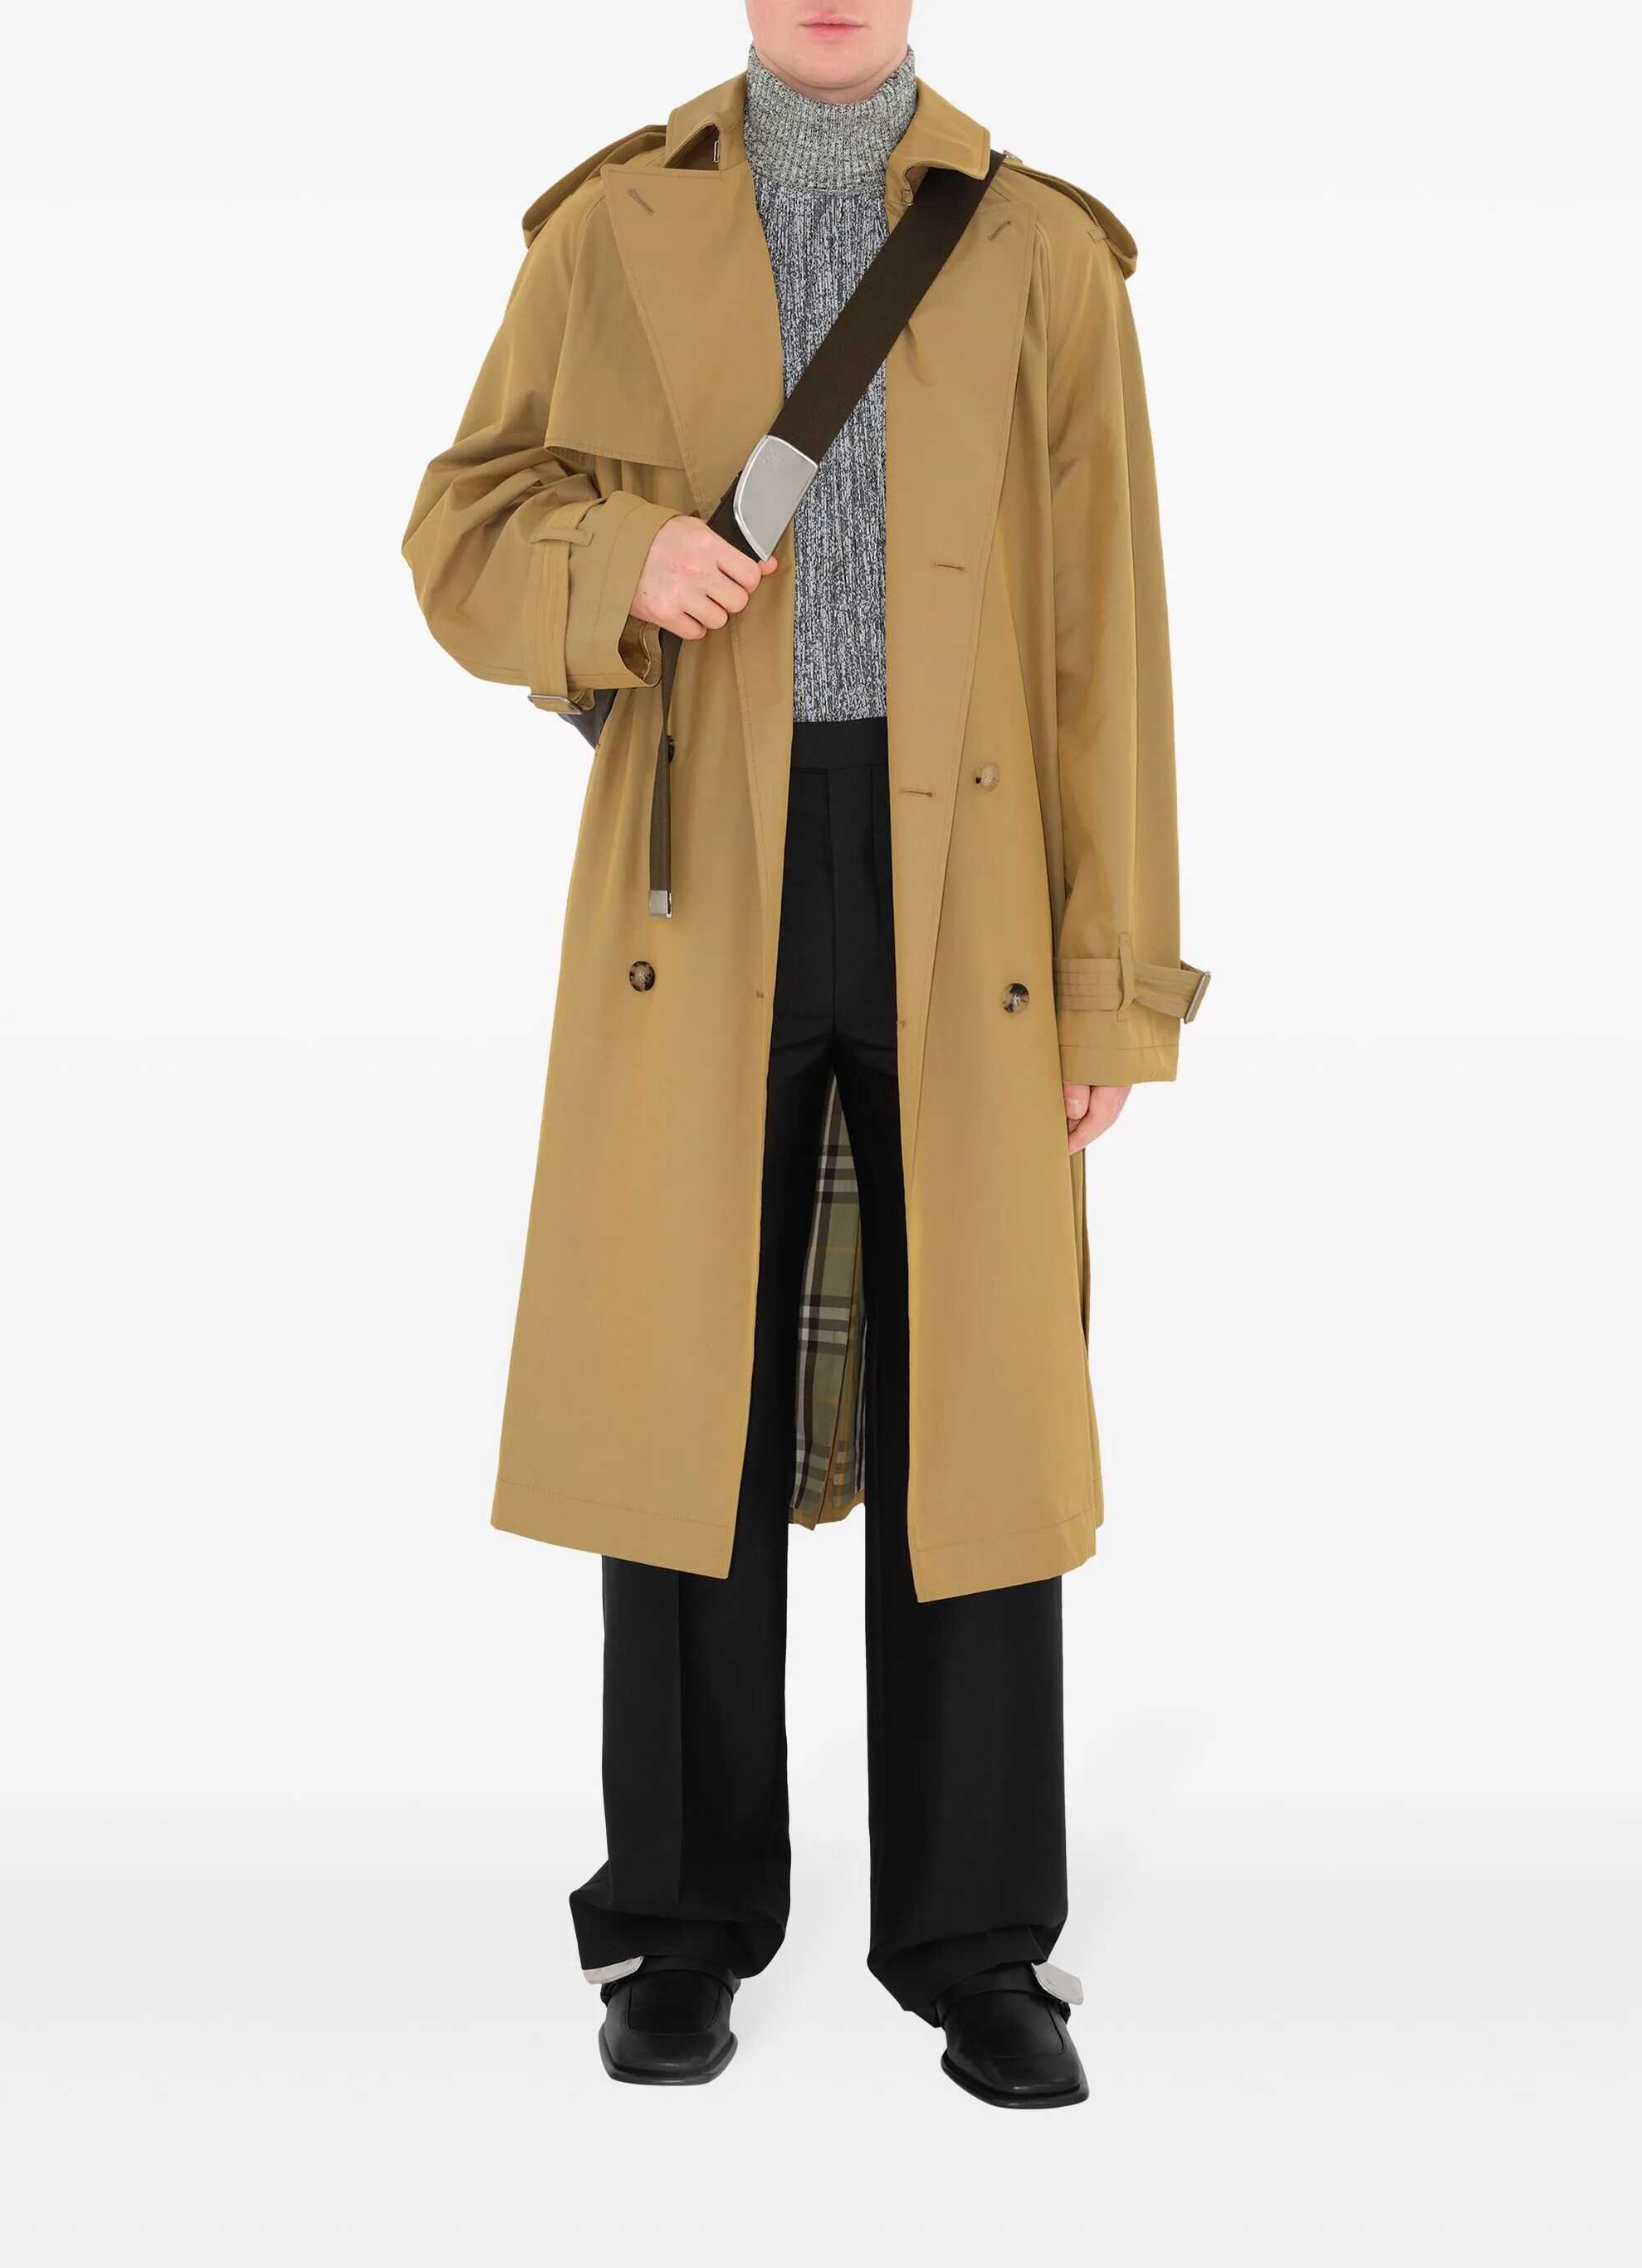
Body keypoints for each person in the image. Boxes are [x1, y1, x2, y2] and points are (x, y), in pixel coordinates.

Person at [402, 0, 1206, 2106]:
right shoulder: (610, 229)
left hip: (977, 891)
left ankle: (975, 1942)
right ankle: (679, 1921)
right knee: (686, 1392)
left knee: (978, 1415)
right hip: (699, 879)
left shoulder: (1040, 250)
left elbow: (1105, 634)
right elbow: (460, 530)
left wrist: (1114, 978)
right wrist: (617, 556)